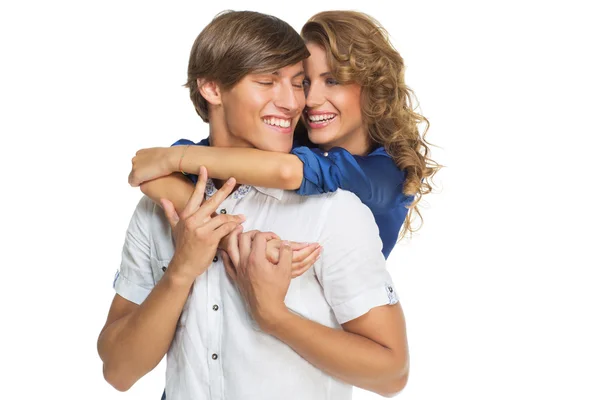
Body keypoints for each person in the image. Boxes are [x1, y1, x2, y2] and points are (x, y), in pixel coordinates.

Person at [98, 10, 409, 400]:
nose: (299, 101)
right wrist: (183, 268)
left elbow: (391, 374)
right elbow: (118, 372)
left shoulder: (339, 204)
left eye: (298, 83)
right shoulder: (163, 205)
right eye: (269, 81)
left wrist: (272, 314)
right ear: (211, 88)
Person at [128, 10, 439, 259]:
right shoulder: (292, 141)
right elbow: (165, 174)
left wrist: (171, 157)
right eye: (304, 82)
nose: (309, 100)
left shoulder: (387, 175)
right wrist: (227, 237)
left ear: (374, 87)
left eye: (332, 81)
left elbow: (288, 172)